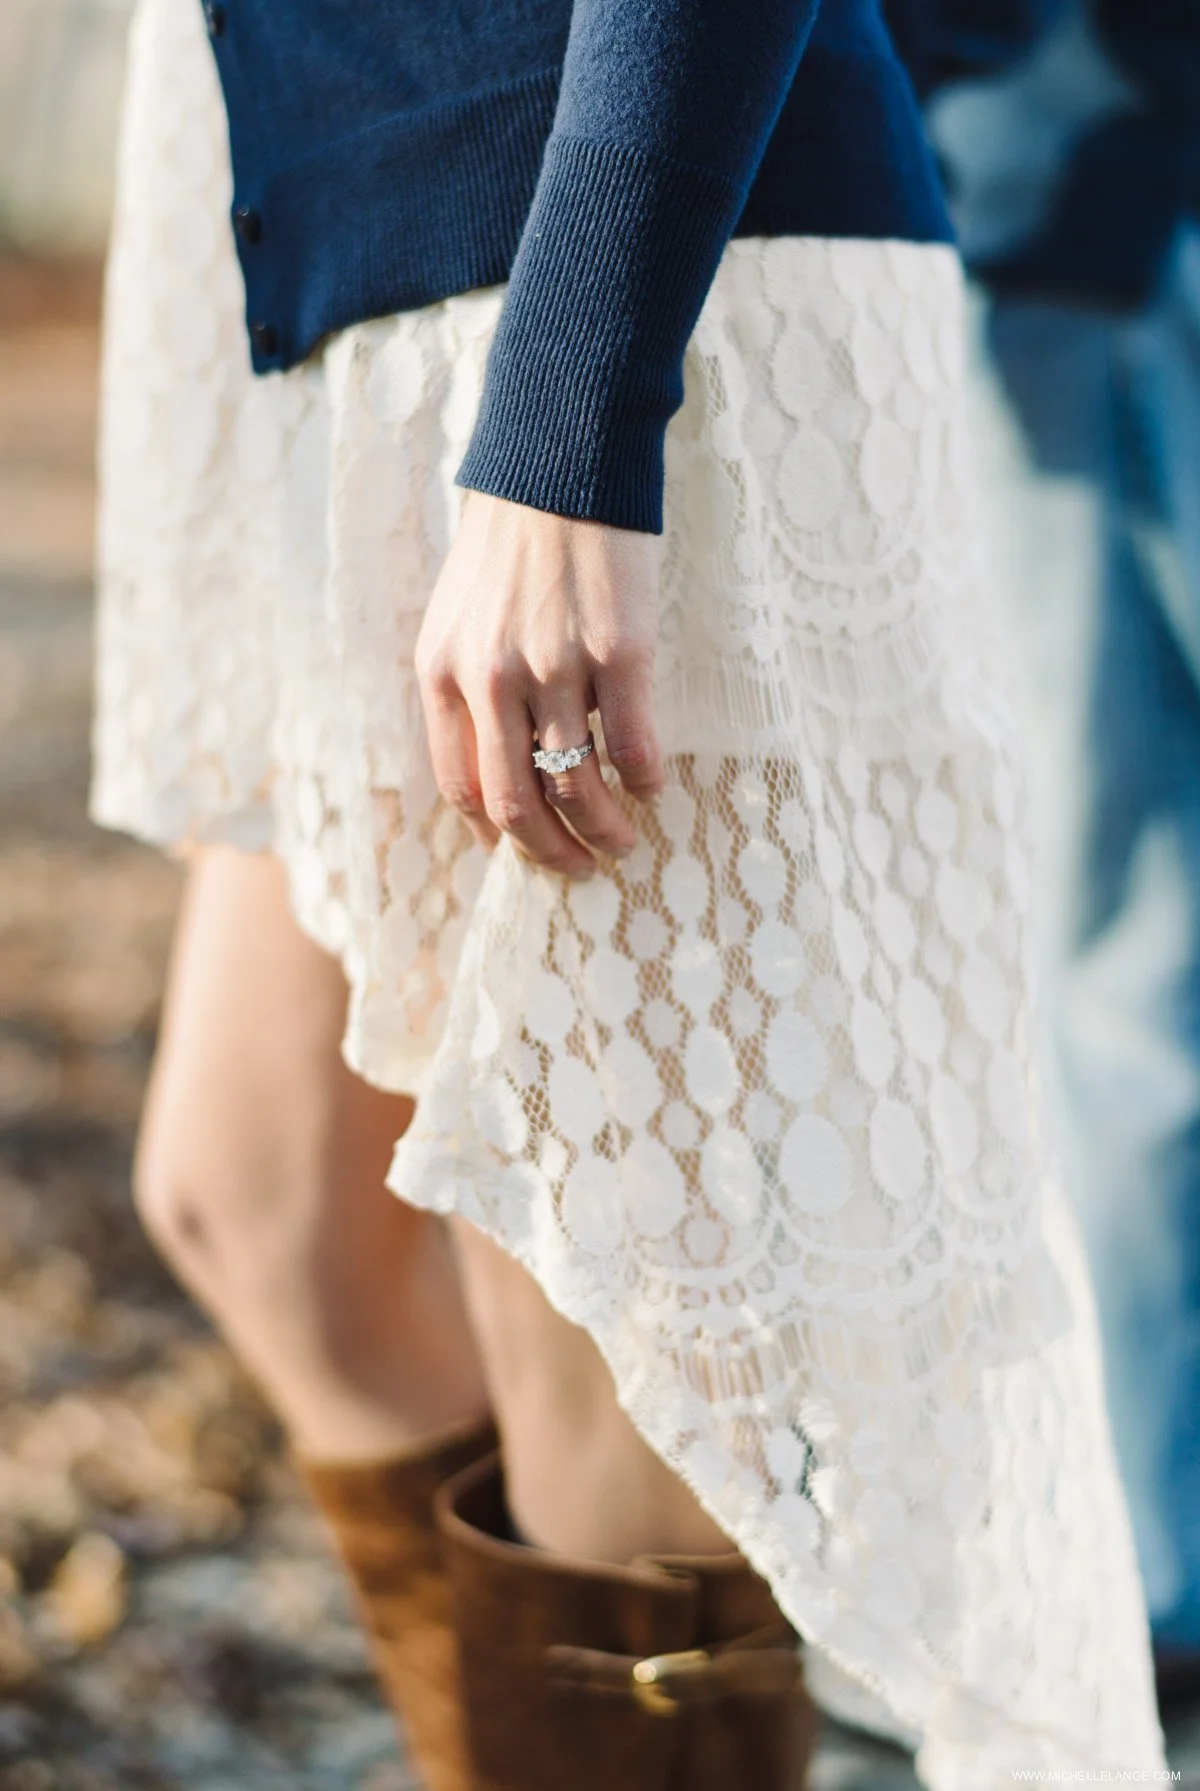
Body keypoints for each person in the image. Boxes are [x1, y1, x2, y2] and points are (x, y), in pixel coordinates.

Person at [91, 0, 1165, 1783]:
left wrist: (576, 406)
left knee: (615, 1349)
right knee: (260, 1206)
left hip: (574, 302)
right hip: (320, 255)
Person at [909, 0, 1200, 1712]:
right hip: (1050, 222)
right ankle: (1146, 1556)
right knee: (1118, 934)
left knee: (1118, 941)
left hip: (1072, 195)